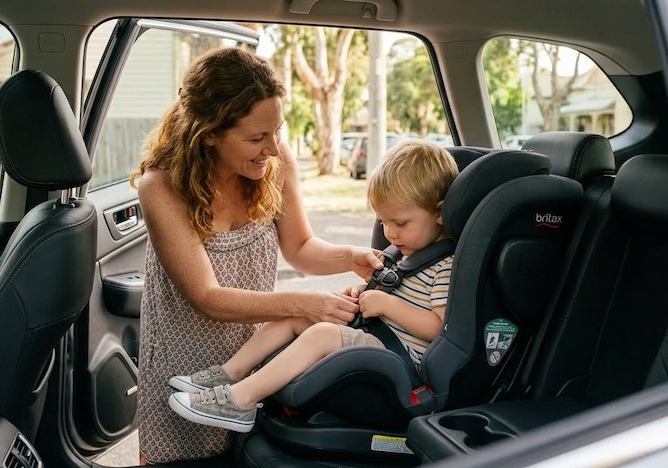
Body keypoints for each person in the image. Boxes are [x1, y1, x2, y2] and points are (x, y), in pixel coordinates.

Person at [130, 47, 383, 464]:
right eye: (255, 137)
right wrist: (304, 303)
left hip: (253, 363)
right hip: (184, 368)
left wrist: (350, 255)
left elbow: (300, 248)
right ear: (208, 132)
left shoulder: (276, 163)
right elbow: (206, 296)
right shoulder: (161, 186)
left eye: (277, 131)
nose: (273, 147)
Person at [167, 139, 459, 433]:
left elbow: (437, 327)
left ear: (438, 213)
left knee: (321, 334)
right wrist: (364, 296)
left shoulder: (445, 266)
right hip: (378, 336)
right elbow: (392, 297)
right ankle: (229, 374)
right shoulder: (404, 255)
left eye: (401, 223)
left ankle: (240, 402)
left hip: (401, 357)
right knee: (296, 315)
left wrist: (387, 305)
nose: (390, 233)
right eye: (383, 222)